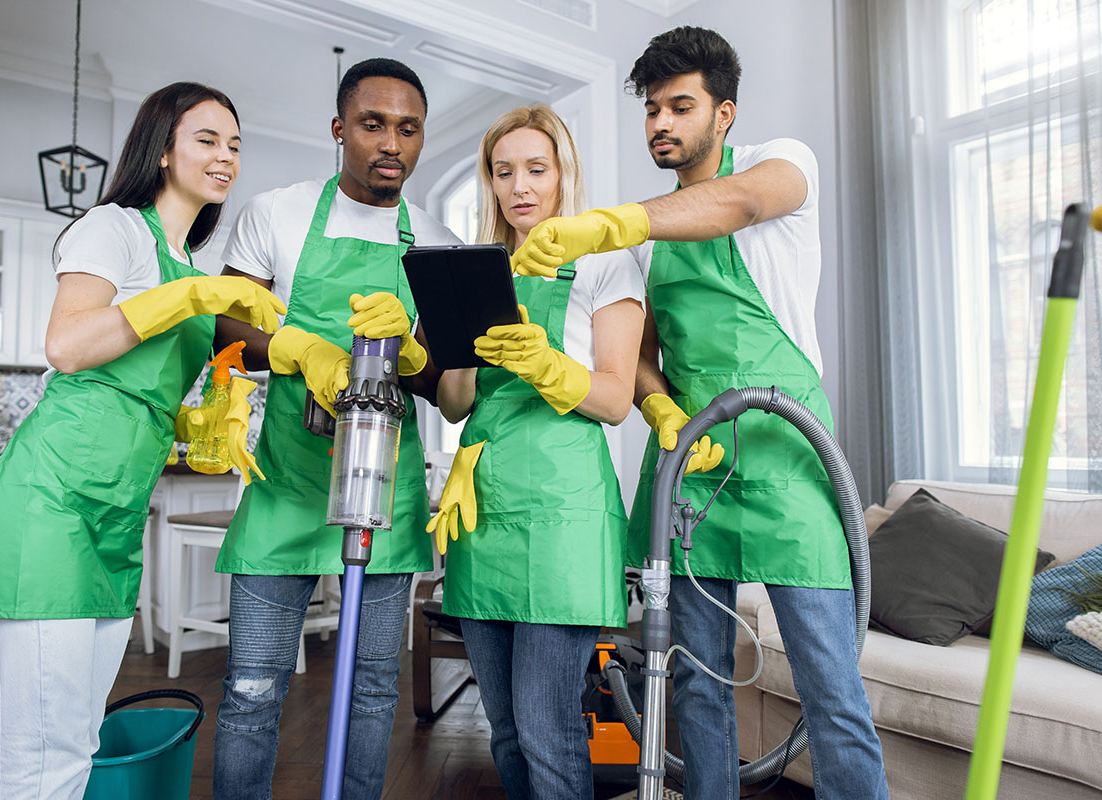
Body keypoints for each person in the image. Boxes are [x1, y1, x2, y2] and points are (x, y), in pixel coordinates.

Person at [510, 27, 890, 800]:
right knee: (693, 687)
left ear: (724, 112)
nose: (660, 124)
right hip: (692, 466)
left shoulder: (777, 166)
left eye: (679, 106)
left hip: (789, 460)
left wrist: (611, 223)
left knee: (832, 692)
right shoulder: (649, 243)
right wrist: (656, 404)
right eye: (651, 109)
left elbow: (738, 205)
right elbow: (642, 347)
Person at [0, 82, 285, 799]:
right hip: (50, 504)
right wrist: (194, 298)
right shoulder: (111, 226)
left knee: (79, 735)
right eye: (206, 139)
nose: (226, 156)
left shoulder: (192, 267)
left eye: (235, 145)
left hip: (114, 516)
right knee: (45, 751)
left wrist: (208, 415)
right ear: (162, 146)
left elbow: (158, 387)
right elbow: (69, 344)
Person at [209, 58, 458, 800]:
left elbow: (440, 380)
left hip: (382, 486)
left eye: (408, 129)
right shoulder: (276, 213)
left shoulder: (436, 239)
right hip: (287, 478)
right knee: (252, 686)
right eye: (374, 124)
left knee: (376, 687)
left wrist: (412, 353)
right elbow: (227, 319)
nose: (392, 143)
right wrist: (295, 348)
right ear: (339, 129)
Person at [428, 104, 644, 800]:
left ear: (562, 175)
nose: (520, 186)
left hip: (563, 516)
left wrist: (544, 364)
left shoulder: (604, 264)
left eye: (536, 169)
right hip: (484, 508)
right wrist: (439, 343)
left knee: (548, 728)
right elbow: (460, 401)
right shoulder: (478, 271)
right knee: (505, 728)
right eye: (503, 171)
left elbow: (614, 399)